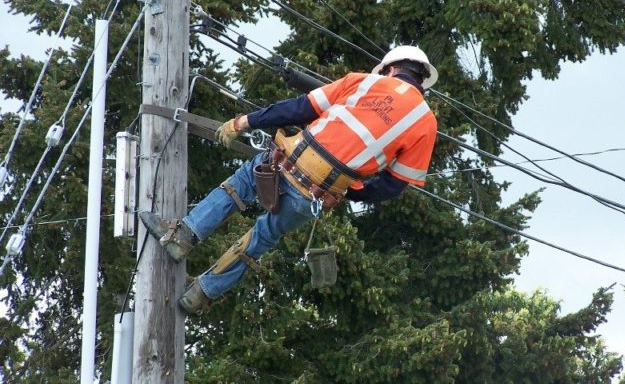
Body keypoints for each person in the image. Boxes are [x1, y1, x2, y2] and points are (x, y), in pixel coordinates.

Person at [140, 45, 439, 314]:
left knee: (244, 181)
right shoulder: (426, 123)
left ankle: (182, 236)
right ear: (421, 79)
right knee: (263, 236)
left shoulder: (364, 81)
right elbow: (393, 185)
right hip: (315, 196)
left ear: (390, 68)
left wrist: (244, 121)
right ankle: (201, 294)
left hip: (289, 161)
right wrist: (346, 192)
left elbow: (300, 108)